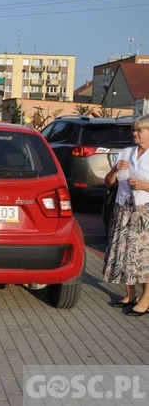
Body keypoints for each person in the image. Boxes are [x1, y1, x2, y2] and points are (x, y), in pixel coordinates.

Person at [103, 114, 149, 316]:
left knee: (143, 257)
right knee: (124, 254)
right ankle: (130, 295)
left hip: (144, 211)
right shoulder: (126, 152)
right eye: (134, 130)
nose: (135, 133)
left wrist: (144, 186)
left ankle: (146, 300)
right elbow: (109, 182)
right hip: (123, 209)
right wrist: (114, 170)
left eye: (139, 130)